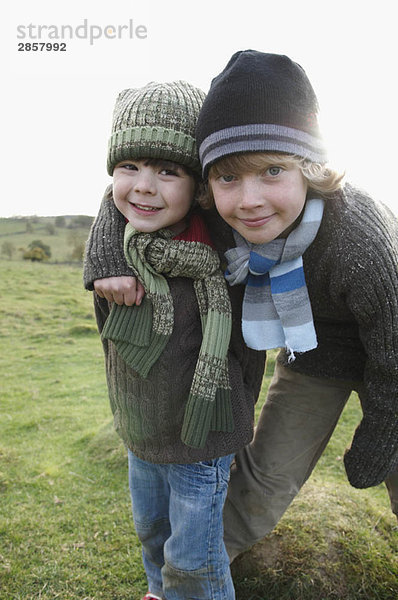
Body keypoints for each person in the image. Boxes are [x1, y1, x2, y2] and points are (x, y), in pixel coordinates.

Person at [195, 49, 398, 559]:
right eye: (227, 177)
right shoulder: (226, 224)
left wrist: (380, 440)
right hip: (317, 350)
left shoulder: (359, 241)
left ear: (310, 167)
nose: (249, 199)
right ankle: (200, 577)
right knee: (264, 479)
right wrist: (108, 254)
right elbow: (136, 197)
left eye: (271, 170)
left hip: (393, 343)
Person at [84, 80, 265, 600]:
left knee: (194, 556)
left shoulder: (222, 241)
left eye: (169, 170)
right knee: (152, 533)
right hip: (139, 427)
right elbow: (109, 202)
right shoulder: (122, 247)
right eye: (129, 167)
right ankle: (159, 592)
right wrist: (105, 262)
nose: (143, 186)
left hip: (201, 433)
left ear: (202, 185)